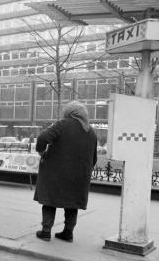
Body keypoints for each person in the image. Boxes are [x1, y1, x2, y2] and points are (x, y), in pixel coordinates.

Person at [34, 101, 97, 242]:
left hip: (56, 173)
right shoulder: (91, 132)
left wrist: (41, 151)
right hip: (79, 177)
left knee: (50, 201)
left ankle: (46, 231)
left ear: (70, 112)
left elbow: (43, 137)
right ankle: (68, 233)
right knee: (72, 204)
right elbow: (93, 158)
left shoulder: (63, 124)